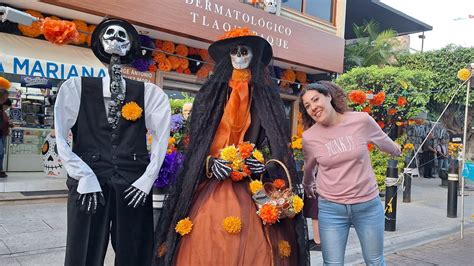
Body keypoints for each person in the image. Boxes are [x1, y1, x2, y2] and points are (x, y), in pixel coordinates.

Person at [154, 28, 308, 265]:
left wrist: (261, 163)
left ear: (253, 56)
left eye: (244, 51)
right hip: (211, 183)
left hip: (250, 183)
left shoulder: (264, 98)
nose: (239, 56)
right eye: (234, 52)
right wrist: (209, 162)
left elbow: (276, 145)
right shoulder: (211, 95)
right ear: (227, 57)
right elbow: (195, 142)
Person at [55, 19, 170, 266]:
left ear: (130, 45)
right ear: (100, 41)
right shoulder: (75, 88)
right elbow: (60, 138)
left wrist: (147, 180)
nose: (116, 38)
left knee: (135, 250)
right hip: (88, 180)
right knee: (82, 248)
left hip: (133, 182)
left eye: (123, 35)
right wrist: (82, 175)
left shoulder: (150, 94)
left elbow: (162, 140)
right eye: (110, 33)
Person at [299, 81, 401, 265]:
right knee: (332, 264)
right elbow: (309, 166)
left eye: (316, 100)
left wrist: (397, 149)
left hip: (367, 206)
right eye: (307, 106)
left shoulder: (361, 120)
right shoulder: (309, 137)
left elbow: (385, 142)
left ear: (328, 96)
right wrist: (307, 185)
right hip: (331, 209)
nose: (313, 107)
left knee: (374, 261)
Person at [0, 78, 10, 178]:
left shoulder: (2, 109)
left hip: (2, 133)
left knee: (2, 152)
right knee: (1, 151)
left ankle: (1, 170)